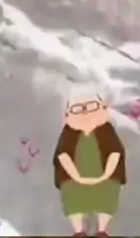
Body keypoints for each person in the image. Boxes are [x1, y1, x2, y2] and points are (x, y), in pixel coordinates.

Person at [53, 86, 127, 237]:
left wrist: (105, 176)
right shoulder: (68, 134)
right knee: (72, 193)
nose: (85, 112)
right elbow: (63, 156)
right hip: (73, 177)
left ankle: (102, 230)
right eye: (77, 108)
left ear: (103, 107)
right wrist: (77, 177)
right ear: (67, 114)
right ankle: (78, 231)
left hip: (106, 175)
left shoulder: (107, 131)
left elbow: (115, 153)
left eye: (92, 106)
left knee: (109, 190)